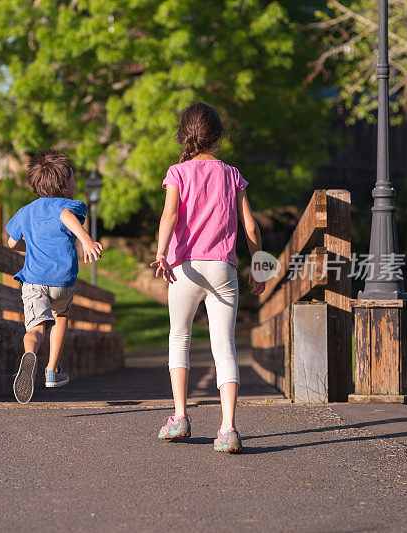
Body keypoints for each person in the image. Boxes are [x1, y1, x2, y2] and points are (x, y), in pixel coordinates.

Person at [150, 102, 265, 453]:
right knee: (224, 346)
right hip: (223, 268)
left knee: (180, 336)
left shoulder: (178, 172)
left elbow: (169, 215)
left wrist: (160, 252)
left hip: (185, 266)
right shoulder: (232, 174)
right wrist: (259, 265)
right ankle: (228, 428)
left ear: (183, 135)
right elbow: (249, 225)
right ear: (217, 137)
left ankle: (180, 417)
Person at [7, 149, 103, 404]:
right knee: (60, 318)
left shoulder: (25, 211)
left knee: (35, 328)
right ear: (63, 184)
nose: (74, 183)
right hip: (62, 280)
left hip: (34, 280)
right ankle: (51, 371)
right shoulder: (67, 205)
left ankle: (30, 355)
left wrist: (33, 247)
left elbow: (11, 243)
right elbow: (65, 216)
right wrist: (86, 239)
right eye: (72, 179)